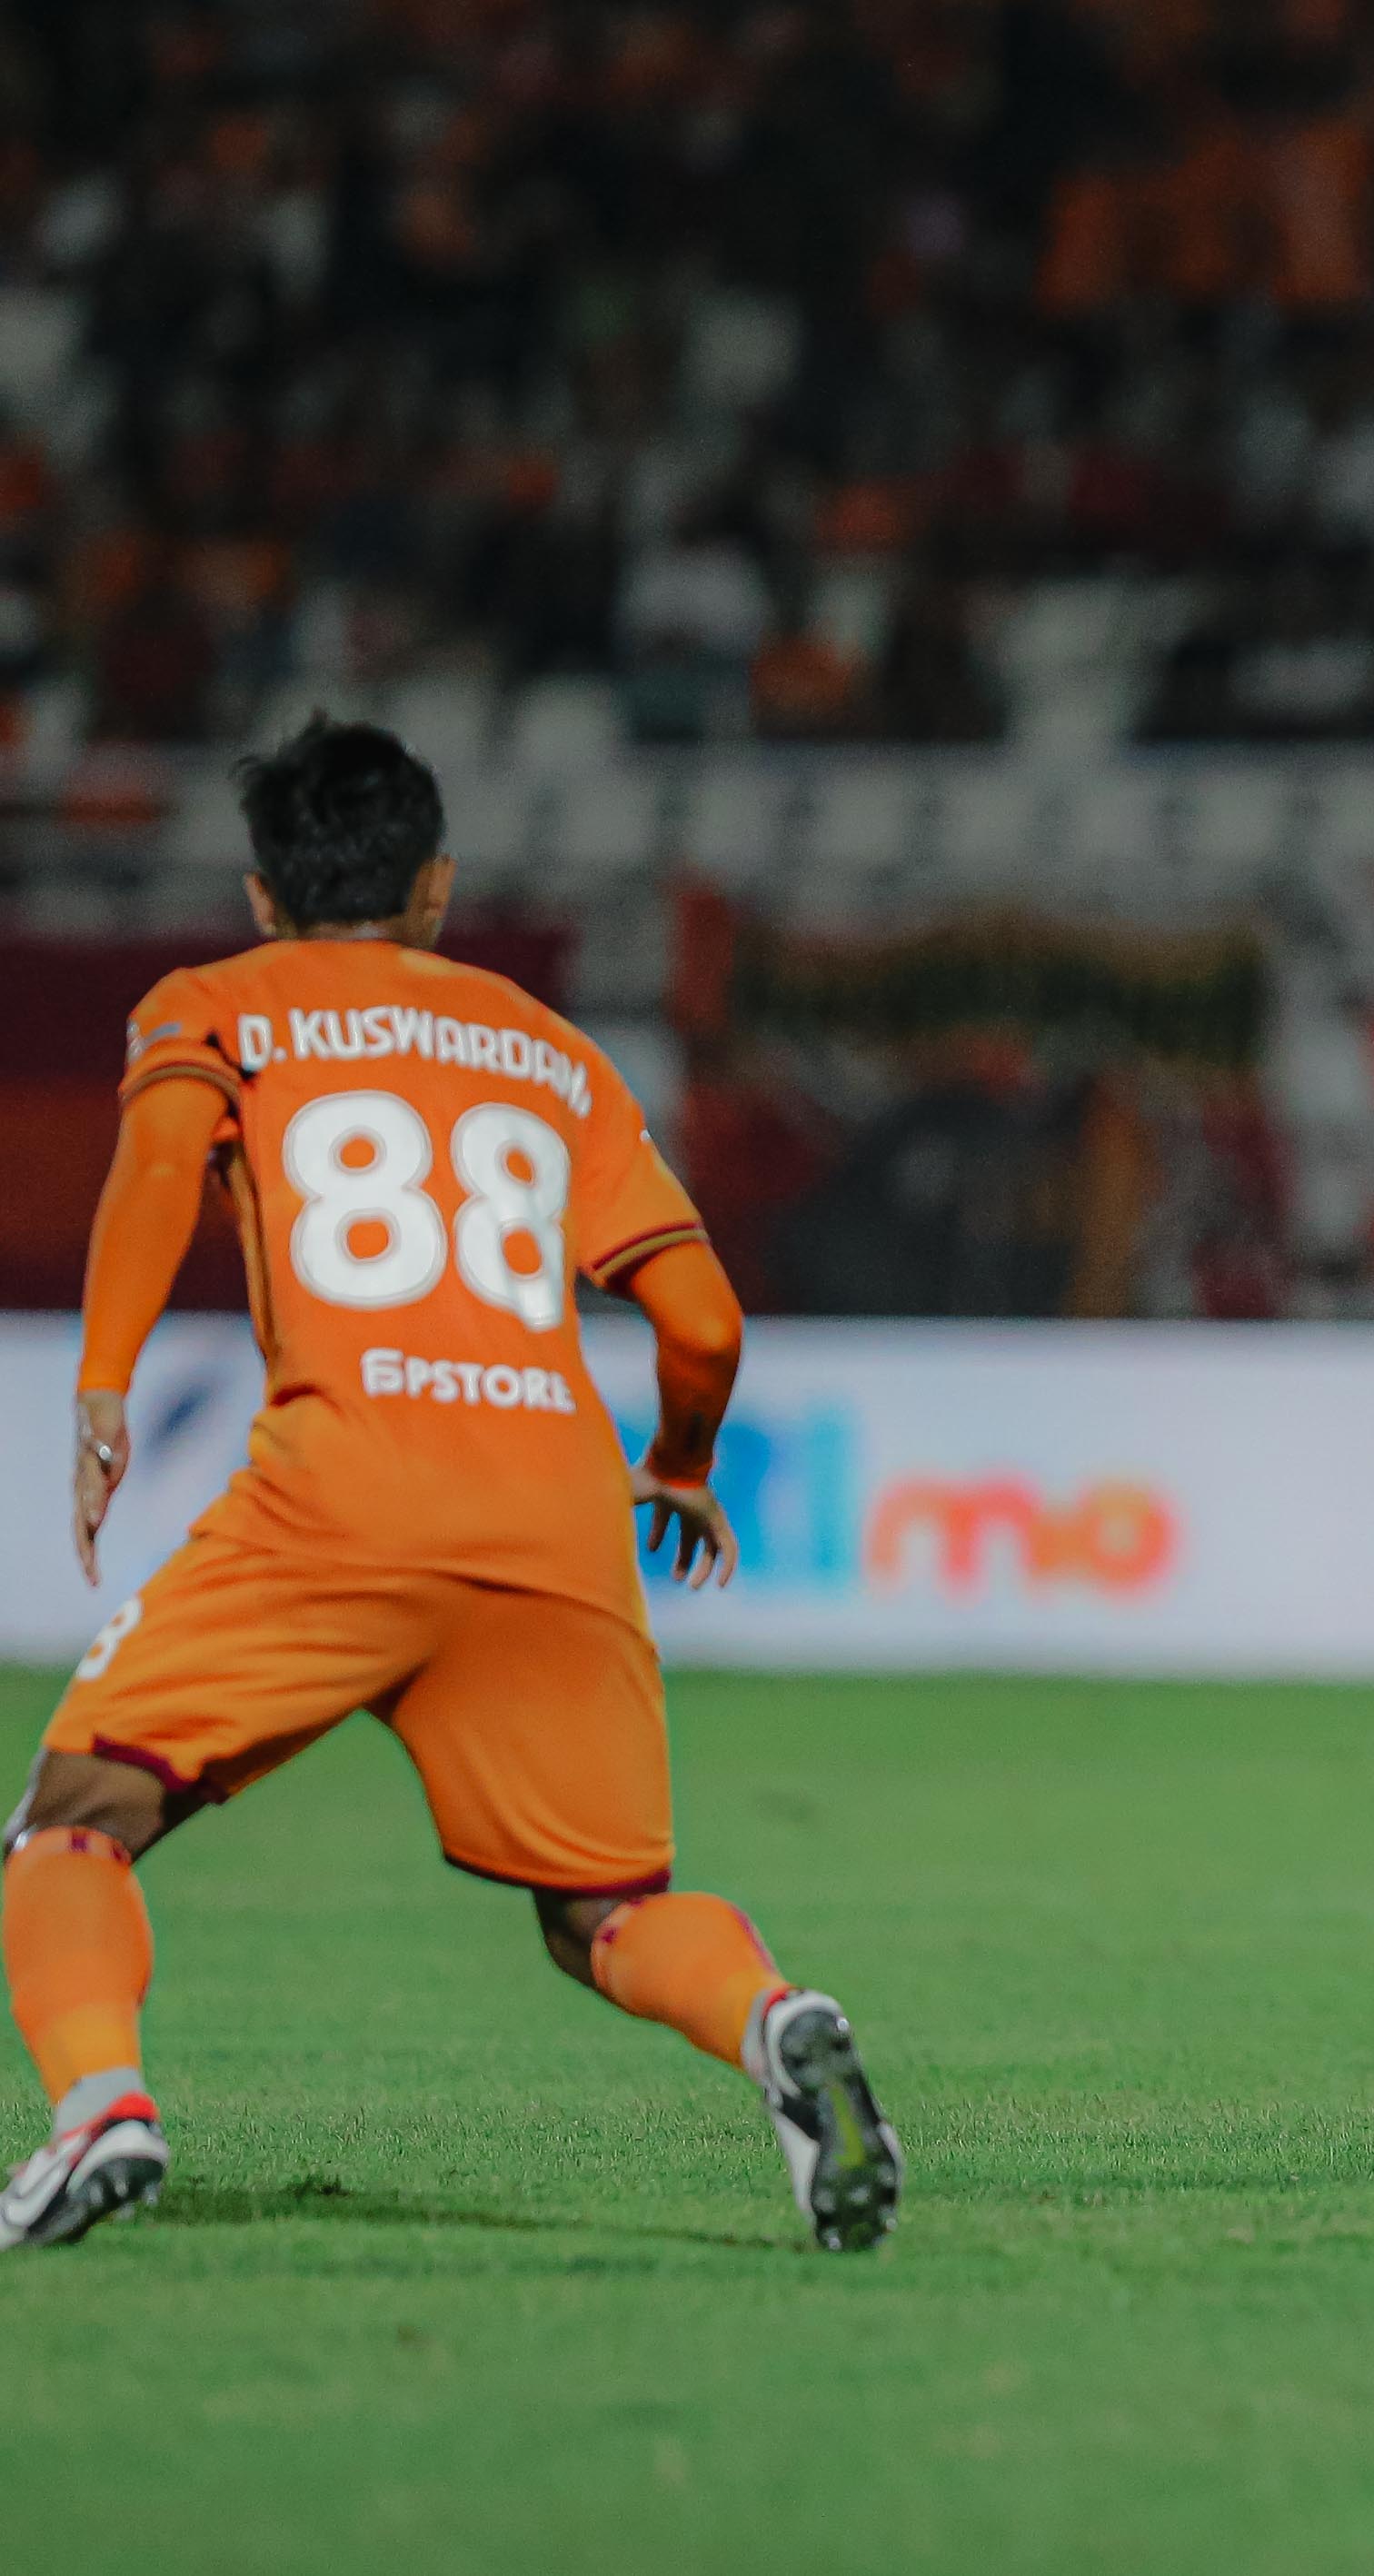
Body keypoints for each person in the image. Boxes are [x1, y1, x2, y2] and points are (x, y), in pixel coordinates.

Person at [2, 716, 901, 2253]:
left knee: (74, 1820)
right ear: (434, 888)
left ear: (262, 896)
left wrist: (102, 1387)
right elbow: (702, 1318)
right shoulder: (548, 1048)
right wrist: (674, 1465)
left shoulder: (219, 1003)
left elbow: (156, 1169)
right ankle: (774, 2017)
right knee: (606, 1911)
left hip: (342, 1488)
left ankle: (100, 2111)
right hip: (553, 1511)